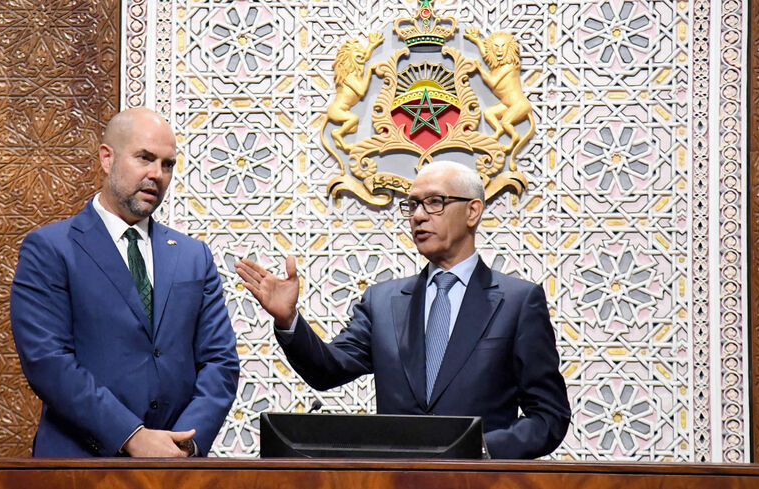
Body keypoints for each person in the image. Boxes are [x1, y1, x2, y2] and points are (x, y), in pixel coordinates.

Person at [235, 161, 570, 459]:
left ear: (472, 211)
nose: (419, 216)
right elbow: (328, 370)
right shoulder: (383, 303)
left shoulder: (518, 302)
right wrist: (288, 319)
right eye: (412, 205)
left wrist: (483, 448)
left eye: (435, 202)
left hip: (478, 483)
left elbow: (549, 417)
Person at [10, 108, 239, 457]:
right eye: (144, 158)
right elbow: (48, 360)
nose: (156, 174)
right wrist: (131, 436)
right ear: (107, 158)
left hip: (177, 469)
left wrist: (184, 443)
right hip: (80, 467)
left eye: (167, 165)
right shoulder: (51, 248)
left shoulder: (194, 256)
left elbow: (220, 362)